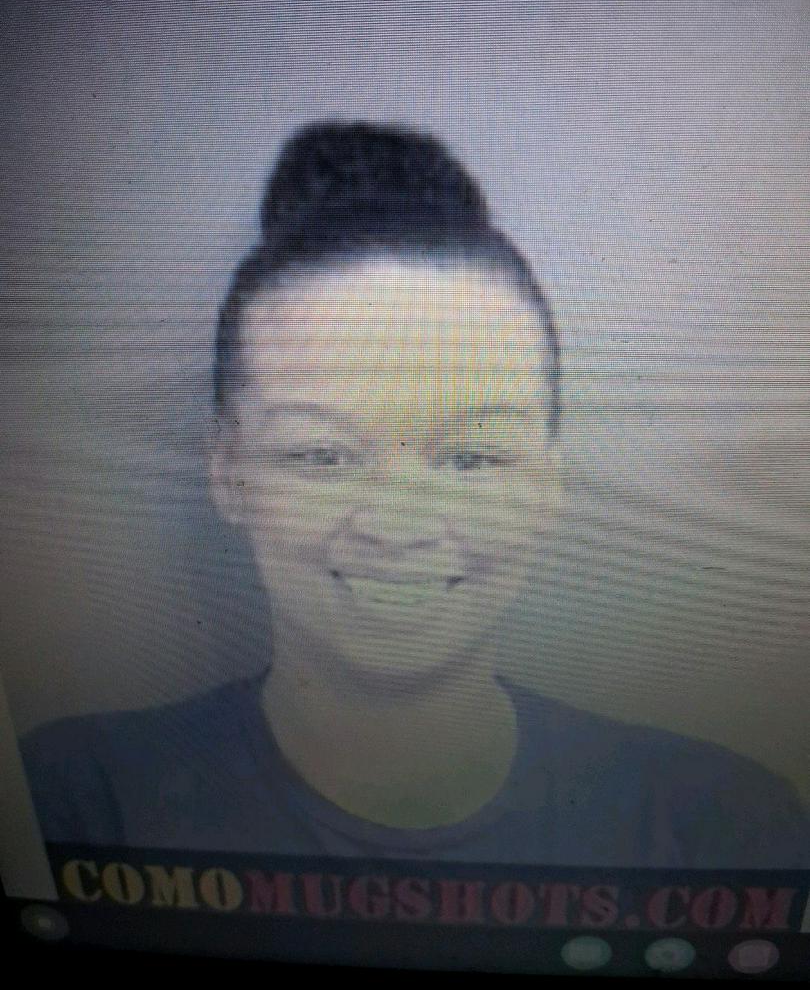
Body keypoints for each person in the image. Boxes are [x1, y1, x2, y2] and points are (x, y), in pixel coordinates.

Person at [20, 122, 808, 867]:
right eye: (323, 455)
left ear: (549, 483)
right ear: (228, 472)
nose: (397, 526)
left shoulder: (722, 825)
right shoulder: (64, 803)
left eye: (470, 458)